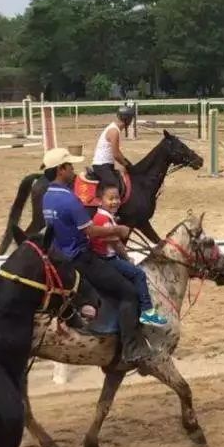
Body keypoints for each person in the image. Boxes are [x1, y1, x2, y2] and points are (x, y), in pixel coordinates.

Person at [41, 147, 154, 364]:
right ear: (61, 170)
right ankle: (130, 349)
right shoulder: (69, 200)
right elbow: (91, 231)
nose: (73, 171)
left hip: (60, 257)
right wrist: (118, 231)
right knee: (129, 292)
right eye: (70, 166)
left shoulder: (47, 197)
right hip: (82, 259)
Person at [91, 183, 168, 328]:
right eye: (111, 199)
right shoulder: (104, 220)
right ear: (100, 200)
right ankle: (147, 312)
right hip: (109, 259)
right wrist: (127, 259)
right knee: (139, 274)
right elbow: (117, 245)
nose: (115, 202)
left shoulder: (102, 216)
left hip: (104, 258)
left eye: (117, 198)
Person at [91, 105, 136, 191]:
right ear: (128, 120)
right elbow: (116, 154)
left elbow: (118, 152)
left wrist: (127, 163)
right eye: (131, 119)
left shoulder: (114, 128)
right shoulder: (114, 131)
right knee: (114, 187)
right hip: (101, 165)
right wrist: (127, 165)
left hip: (107, 165)